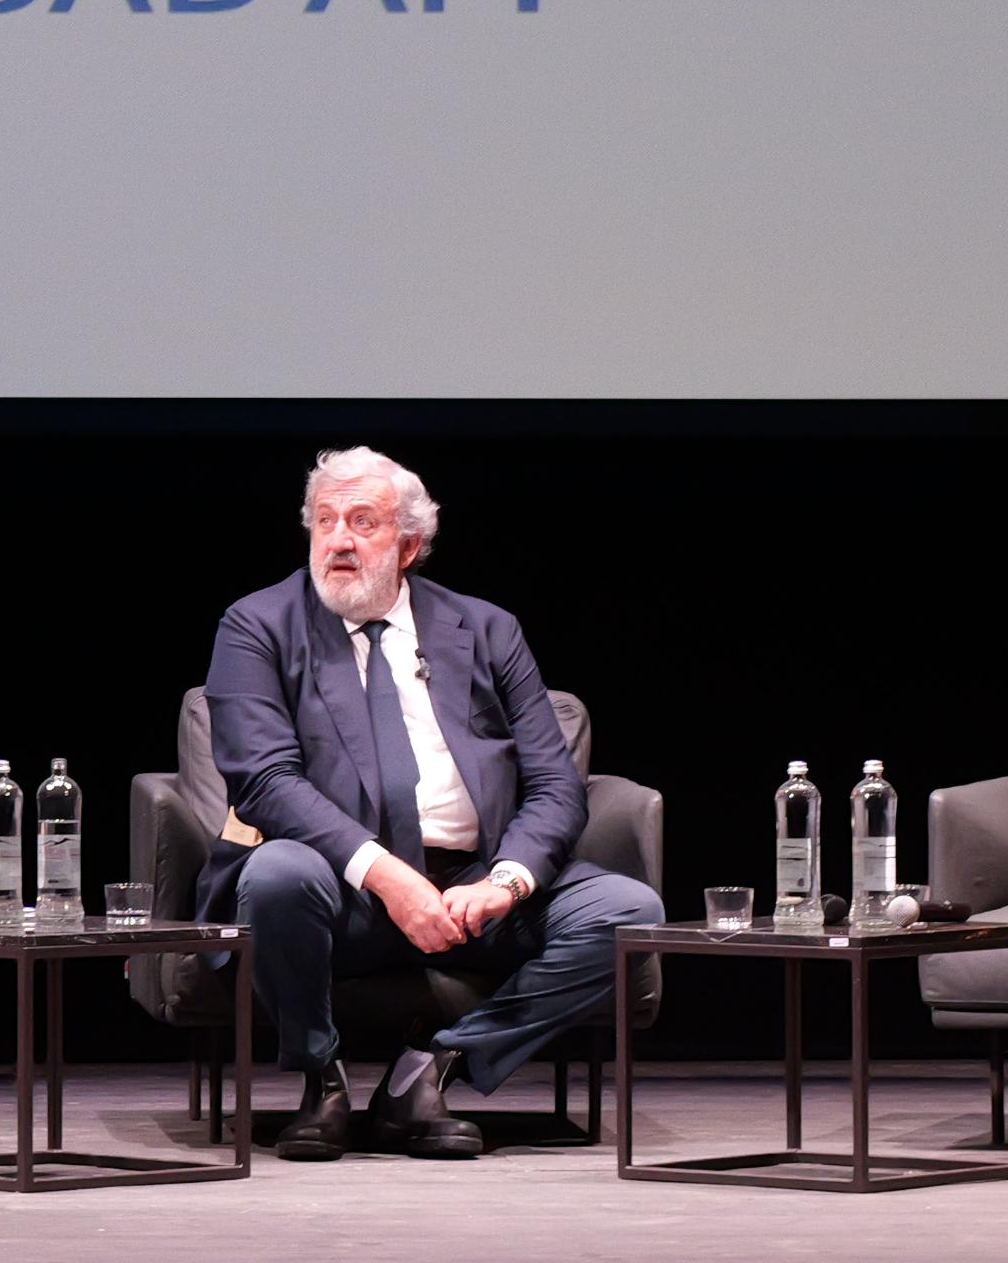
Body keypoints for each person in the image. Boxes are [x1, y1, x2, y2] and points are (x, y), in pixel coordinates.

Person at [196, 446, 665, 1160]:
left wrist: (506, 883)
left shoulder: (486, 629)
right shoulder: (258, 625)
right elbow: (264, 781)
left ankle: (432, 1068)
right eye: (325, 521)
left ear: (409, 545)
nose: (339, 540)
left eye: (363, 522)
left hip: (471, 888)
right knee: (276, 874)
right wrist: (389, 878)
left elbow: (554, 783)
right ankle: (322, 1078)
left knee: (628, 910)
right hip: (341, 891)